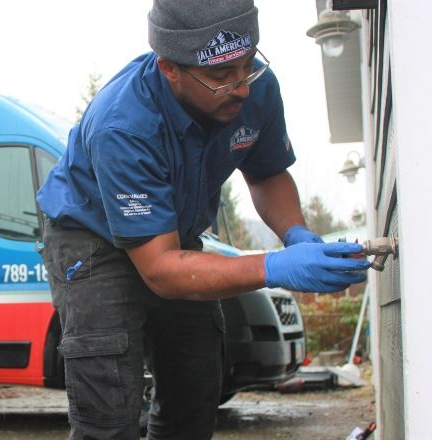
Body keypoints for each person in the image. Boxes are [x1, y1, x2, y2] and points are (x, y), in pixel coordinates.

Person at [36, 0, 370, 438]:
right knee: (110, 413)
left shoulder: (257, 88)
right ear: (169, 68)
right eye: (219, 76)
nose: (241, 88)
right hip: (90, 238)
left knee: (194, 387)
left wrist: (296, 234)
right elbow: (161, 269)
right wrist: (274, 267)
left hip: (174, 236)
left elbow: (266, 172)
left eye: (247, 65)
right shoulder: (124, 125)